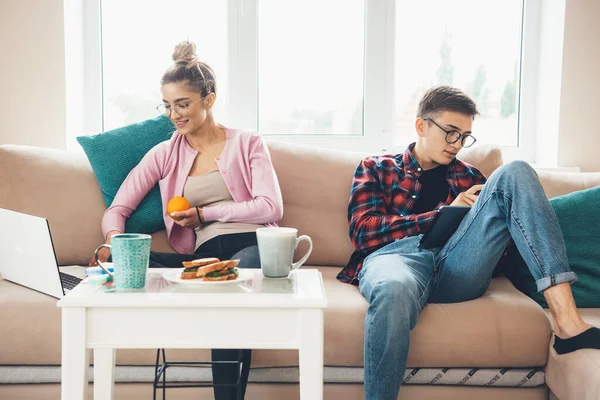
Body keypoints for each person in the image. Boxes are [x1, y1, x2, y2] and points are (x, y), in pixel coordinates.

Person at [337, 86, 600, 400]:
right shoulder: (377, 168)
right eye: (450, 132)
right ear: (421, 126)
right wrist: (442, 215)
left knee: (515, 171)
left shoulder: (472, 177)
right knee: (393, 289)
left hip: (458, 264)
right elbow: (364, 231)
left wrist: (476, 221)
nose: (457, 144)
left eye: (464, 136)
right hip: (397, 259)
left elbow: (497, 252)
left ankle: (568, 323)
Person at [92, 40, 283, 400]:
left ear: (209, 100)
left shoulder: (247, 142)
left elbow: (270, 207)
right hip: (204, 260)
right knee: (127, 261)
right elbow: (117, 210)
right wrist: (115, 241)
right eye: (168, 106)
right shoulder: (165, 152)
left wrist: (204, 214)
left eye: (183, 104)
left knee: (232, 285)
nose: (175, 115)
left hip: (253, 244)